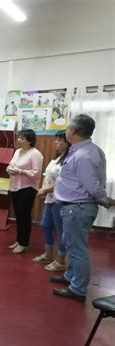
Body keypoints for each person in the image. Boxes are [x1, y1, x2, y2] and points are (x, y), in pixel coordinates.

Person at [51, 114, 115, 301]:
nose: (66, 130)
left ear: (73, 131)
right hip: (75, 207)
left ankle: (77, 289)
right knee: (72, 245)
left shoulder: (83, 155)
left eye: (68, 127)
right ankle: (70, 277)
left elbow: (93, 185)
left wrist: (105, 201)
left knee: (78, 249)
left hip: (77, 208)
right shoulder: (86, 150)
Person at [32, 131, 70, 271]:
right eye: (56, 140)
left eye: (59, 140)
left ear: (68, 142)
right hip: (50, 198)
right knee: (45, 226)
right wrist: (43, 189)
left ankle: (60, 260)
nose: (56, 142)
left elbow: (63, 182)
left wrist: (45, 190)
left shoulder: (70, 159)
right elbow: (47, 175)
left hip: (61, 199)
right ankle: (48, 254)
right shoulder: (56, 158)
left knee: (61, 230)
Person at [7, 129, 43, 254]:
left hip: (28, 188)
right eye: (18, 137)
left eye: (22, 138)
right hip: (15, 186)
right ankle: (18, 240)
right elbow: (11, 165)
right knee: (18, 215)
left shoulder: (35, 154)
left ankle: (24, 243)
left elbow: (36, 173)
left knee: (25, 215)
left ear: (30, 140)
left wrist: (20, 171)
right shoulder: (17, 151)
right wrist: (9, 169)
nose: (18, 140)